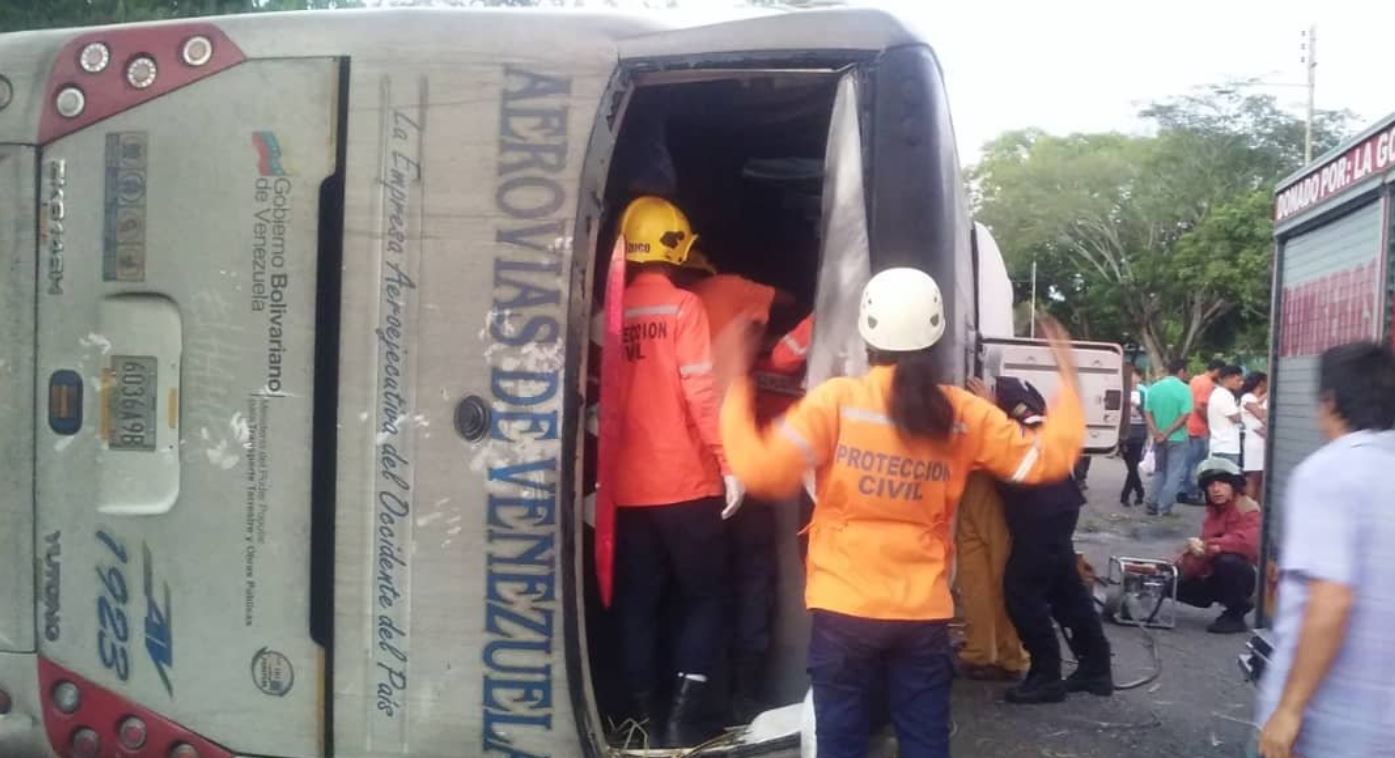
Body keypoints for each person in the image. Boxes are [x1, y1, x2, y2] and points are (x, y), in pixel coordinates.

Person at [716, 267, 1086, 758]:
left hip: (844, 607)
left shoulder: (837, 403)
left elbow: (760, 470)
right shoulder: (962, 413)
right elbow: (1045, 461)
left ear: (866, 331)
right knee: (924, 738)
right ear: (935, 335)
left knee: (841, 739)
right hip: (921, 611)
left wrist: (734, 386)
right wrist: (1068, 383)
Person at [608, 196, 745, 747]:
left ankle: (640, 718)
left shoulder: (609, 311)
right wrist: (729, 462)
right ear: (675, 244)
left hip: (627, 489)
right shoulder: (683, 307)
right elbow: (700, 392)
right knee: (705, 596)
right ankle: (685, 722)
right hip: (687, 485)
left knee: (639, 600)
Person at [1256, 342, 1395, 758]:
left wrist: (1289, 711)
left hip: (1333, 723)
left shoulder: (1328, 472)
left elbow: (1331, 600)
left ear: (1330, 401)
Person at [990, 377, 1113, 704]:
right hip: (1055, 505)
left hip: (1042, 509)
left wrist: (988, 408)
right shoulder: (1013, 388)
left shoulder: (1005, 390)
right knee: (1065, 589)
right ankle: (1096, 667)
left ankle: (1046, 675)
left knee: (1022, 592)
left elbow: (1036, 423)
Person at [954, 466, 1029, 681]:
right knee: (974, 573)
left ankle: (1009, 654)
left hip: (997, 474)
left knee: (998, 571)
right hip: (973, 473)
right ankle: (981, 650)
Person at [1175, 457, 1260, 634]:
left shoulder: (1248, 508)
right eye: (1211, 485)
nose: (1216, 489)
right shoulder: (1214, 511)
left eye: (1222, 483)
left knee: (1228, 561)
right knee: (1170, 581)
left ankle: (1236, 614)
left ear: (1234, 486)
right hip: (1215, 572)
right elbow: (1204, 549)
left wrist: (1211, 546)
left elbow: (1247, 542)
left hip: (1246, 576)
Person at [1145, 359, 1192, 516]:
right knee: (1174, 473)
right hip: (1177, 438)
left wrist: (1156, 431)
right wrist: (1168, 432)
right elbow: (1185, 414)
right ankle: (1164, 507)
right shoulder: (1184, 389)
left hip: (1158, 438)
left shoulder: (1154, 388)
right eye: (1186, 372)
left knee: (1159, 471)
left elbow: (1147, 411)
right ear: (1181, 372)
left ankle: (1151, 503)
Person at [1182, 359, 1225, 503]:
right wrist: (1210, 422)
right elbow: (1200, 407)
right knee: (1197, 463)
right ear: (1217, 370)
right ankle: (1192, 493)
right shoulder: (1207, 384)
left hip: (1189, 426)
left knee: (1188, 462)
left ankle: (1183, 490)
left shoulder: (1195, 379)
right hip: (1199, 428)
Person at [1120, 364, 1148, 507]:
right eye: (1130, 375)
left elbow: (1147, 413)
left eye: (1135, 375)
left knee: (1133, 464)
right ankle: (1139, 490)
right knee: (1130, 464)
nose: (1133, 378)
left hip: (1139, 430)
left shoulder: (1143, 393)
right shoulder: (1121, 391)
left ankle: (1126, 495)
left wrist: (1138, 407)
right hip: (1125, 431)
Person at [1206, 365, 1245, 467]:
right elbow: (1236, 418)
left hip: (1220, 445)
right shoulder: (1224, 395)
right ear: (1228, 378)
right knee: (1228, 479)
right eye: (1238, 380)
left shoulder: (1218, 393)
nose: (1240, 383)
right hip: (1226, 447)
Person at [1239, 372, 1268, 501]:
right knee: (1254, 478)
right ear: (1261, 382)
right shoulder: (1248, 397)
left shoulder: (1255, 399)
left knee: (1260, 478)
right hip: (1254, 442)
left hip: (1260, 442)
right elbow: (1262, 416)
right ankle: (1249, 509)